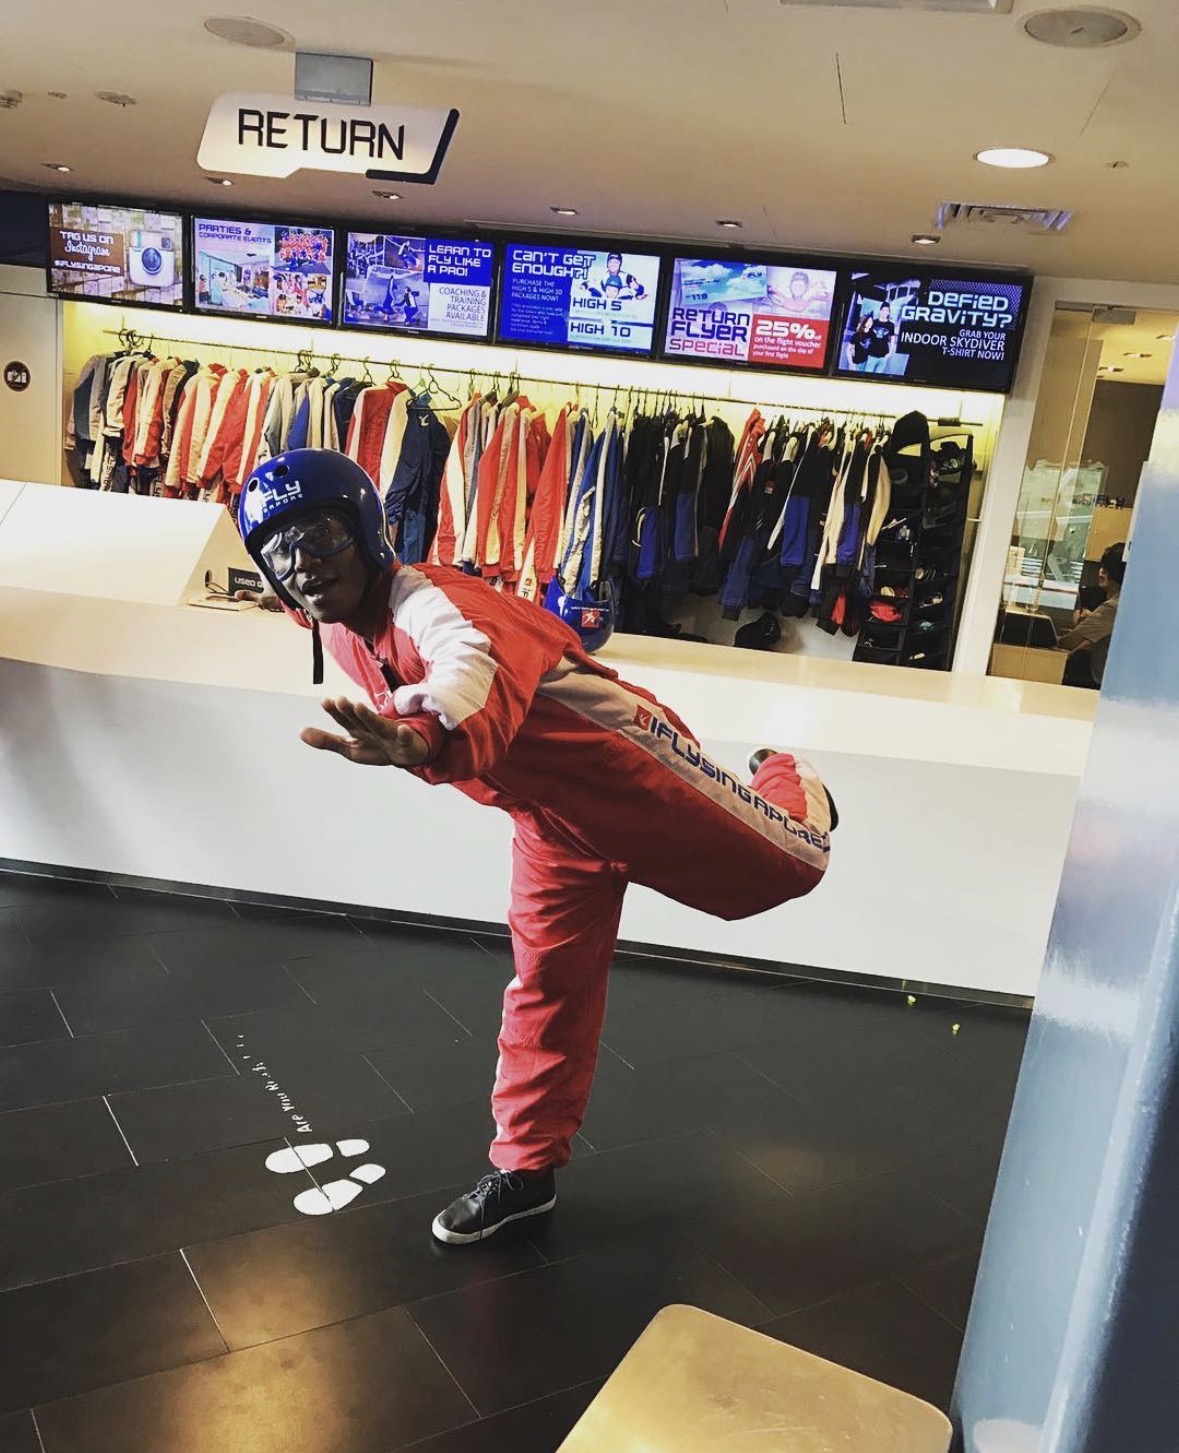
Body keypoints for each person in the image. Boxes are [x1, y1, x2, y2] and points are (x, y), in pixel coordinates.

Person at [238, 450, 836, 1247]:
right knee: (544, 986)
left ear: (366, 534)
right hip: (551, 820)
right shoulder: (339, 629)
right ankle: (525, 1171)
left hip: (632, 773)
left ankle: (791, 776)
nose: (305, 566)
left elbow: (466, 670)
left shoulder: (435, 602)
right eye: (281, 551)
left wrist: (422, 740)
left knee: (793, 867)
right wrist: (422, 742)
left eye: (319, 537)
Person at [1059, 542, 1126, 688]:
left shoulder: (1113, 607)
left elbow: (1071, 641)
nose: (1101, 573)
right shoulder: (1127, 601)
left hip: (1105, 682)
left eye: (1106, 569)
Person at [864, 303, 897, 373]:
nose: (884, 312)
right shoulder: (873, 322)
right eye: (883, 310)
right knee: (867, 376)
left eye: (887, 310)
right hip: (871, 354)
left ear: (889, 312)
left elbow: (893, 339)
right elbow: (866, 336)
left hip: (884, 355)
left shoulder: (891, 325)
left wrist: (890, 353)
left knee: (878, 377)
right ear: (880, 311)